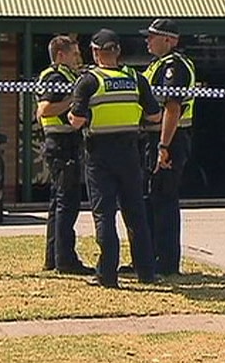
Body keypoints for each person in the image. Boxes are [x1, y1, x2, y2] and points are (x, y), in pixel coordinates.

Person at [67, 28, 162, 288]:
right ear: (118, 51)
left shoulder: (88, 81)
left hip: (100, 155)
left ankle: (107, 275)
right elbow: (155, 116)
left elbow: (77, 121)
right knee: (136, 214)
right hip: (130, 153)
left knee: (104, 215)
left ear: (96, 52)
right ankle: (146, 272)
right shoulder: (136, 78)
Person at [139, 18, 196, 276]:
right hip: (152, 139)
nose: (147, 41)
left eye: (152, 36)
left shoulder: (176, 67)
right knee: (149, 199)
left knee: (164, 200)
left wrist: (164, 145)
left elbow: (172, 108)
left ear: (169, 40)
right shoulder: (156, 66)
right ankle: (149, 257)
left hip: (170, 139)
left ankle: (166, 262)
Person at [36, 35, 91, 275]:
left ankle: (54, 257)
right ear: (61, 55)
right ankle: (65, 260)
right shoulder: (53, 77)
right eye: (74, 54)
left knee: (58, 202)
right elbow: (44, 109)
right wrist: (73, 101)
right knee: (67, 204)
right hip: (60, 144)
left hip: (66, 143)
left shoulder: (67, 76)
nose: (78, 58)